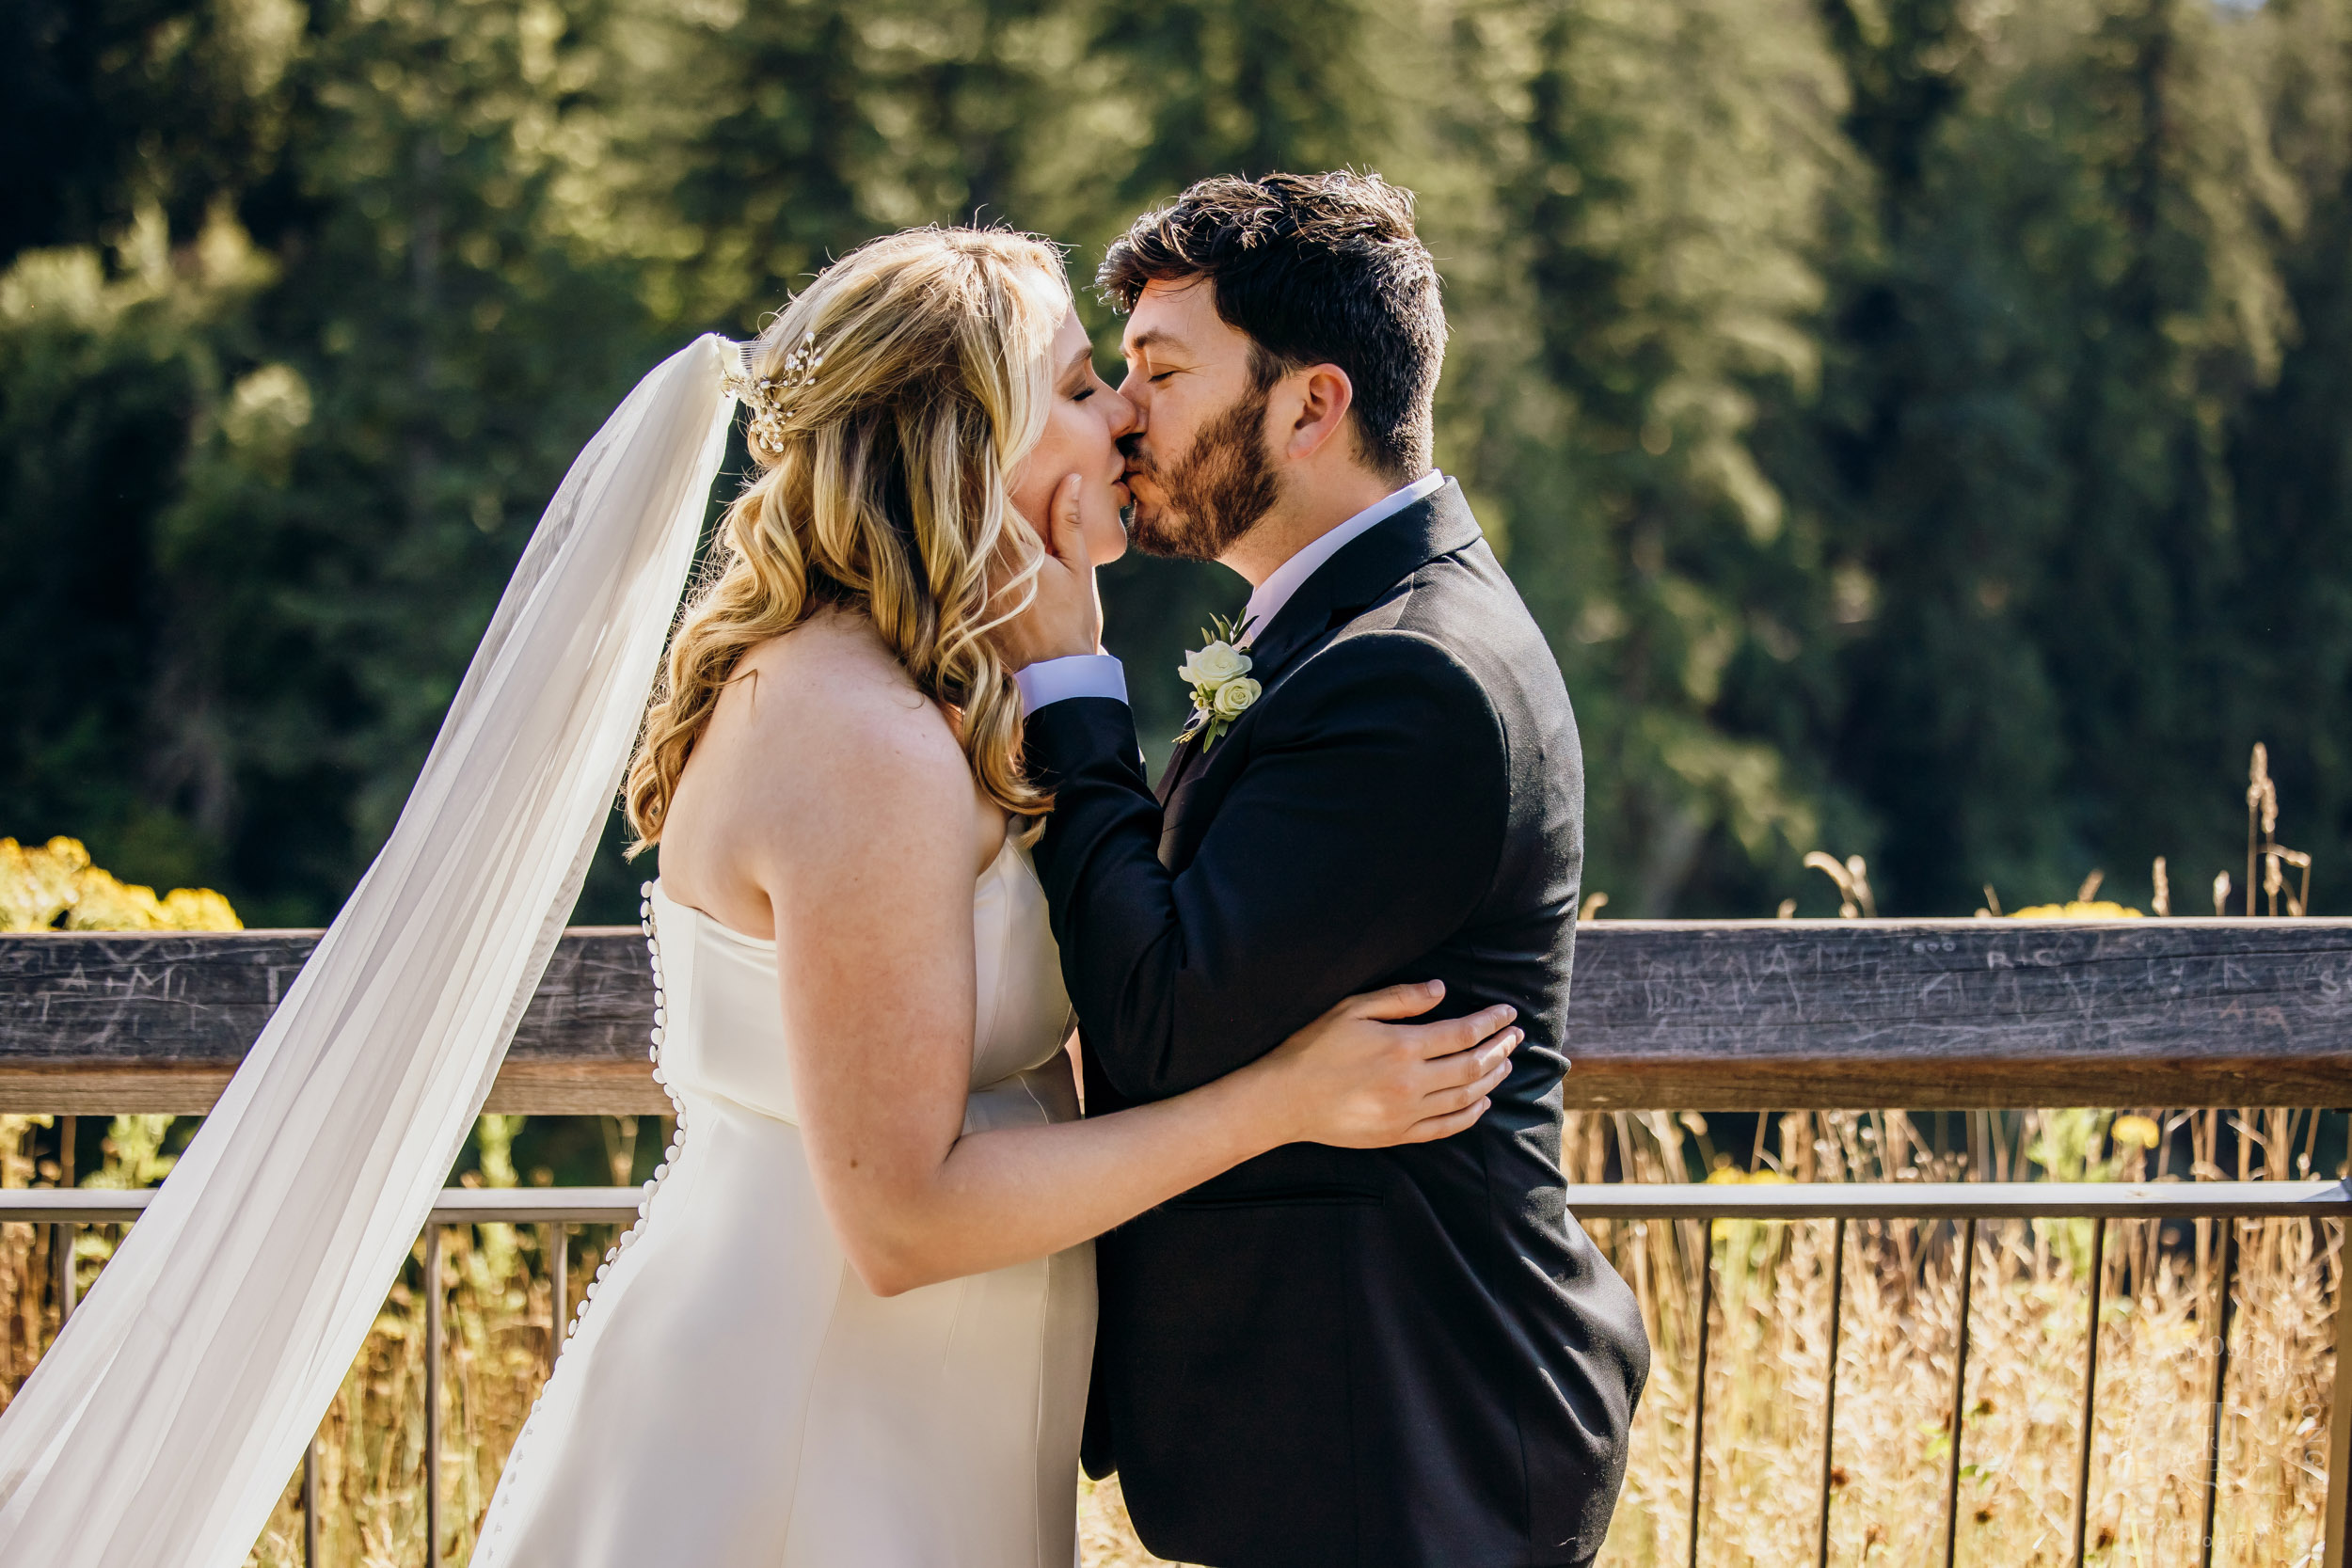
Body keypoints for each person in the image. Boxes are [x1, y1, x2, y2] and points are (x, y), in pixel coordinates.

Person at [466, 226, 1520, 1567]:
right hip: (815, 1424)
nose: (1127, 422)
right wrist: (1287, 1102)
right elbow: (905, 1217)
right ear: (973, 441)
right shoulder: (865, 740)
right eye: (1084, 387)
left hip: (925, 1405)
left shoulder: (930, 702)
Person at [998, 172, 1650, 1568]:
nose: (1122, 413)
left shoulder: (1409, 676)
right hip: (1355, 1433)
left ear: (1310, 406)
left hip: (1403, 1441)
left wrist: (1070, 687)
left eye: (1161, 373)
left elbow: (1161, 1012)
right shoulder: (1347, 633)